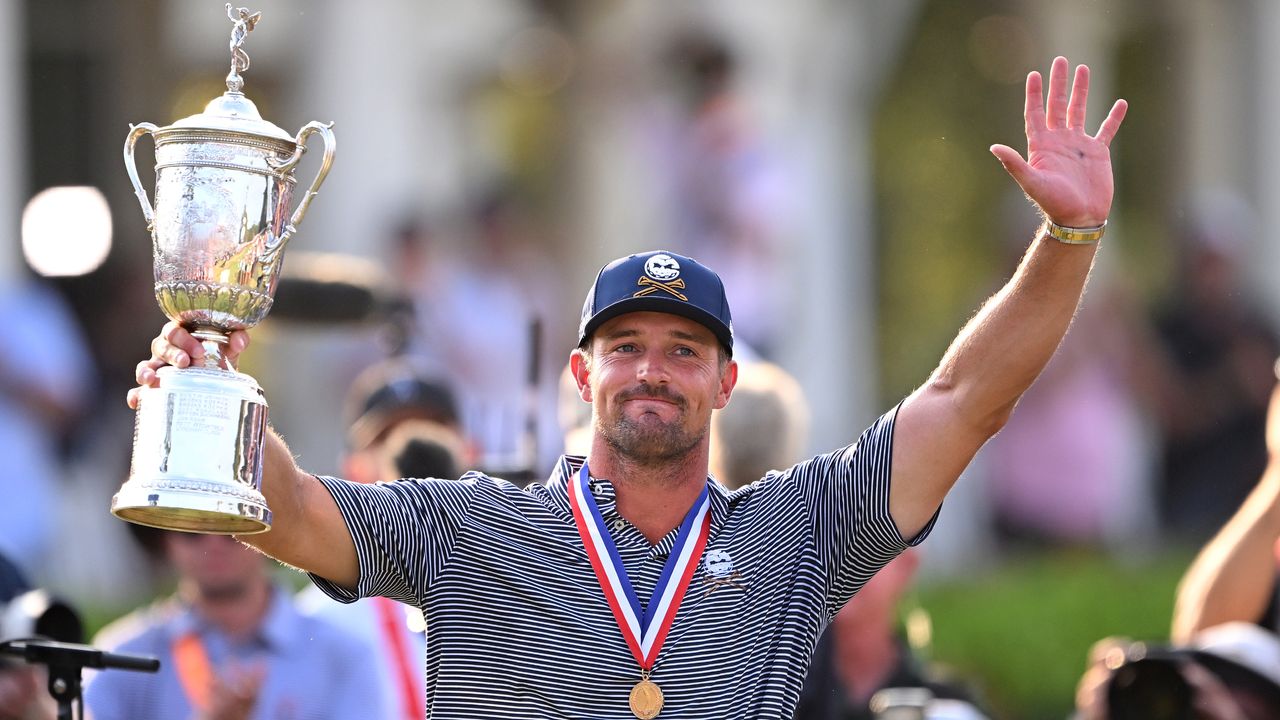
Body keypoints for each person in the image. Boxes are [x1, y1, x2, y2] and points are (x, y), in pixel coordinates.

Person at [131, 57, 1125, 717]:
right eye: (627, 346)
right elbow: (294, 511)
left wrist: (1067, 239)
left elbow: (963, 399)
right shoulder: (464, 531)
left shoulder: (796, 533)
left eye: (685, 351)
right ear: (582, 373)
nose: (653, 369)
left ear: (725, 381)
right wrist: (206, 389)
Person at [297, 361, 467, 720]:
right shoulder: (320, 620)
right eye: (387, 439)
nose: (409, 454)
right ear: (352, 470)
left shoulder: (515, 579)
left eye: (429, 432)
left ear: (471, 454)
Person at [83, 530, 387, 719]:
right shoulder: (121, 655)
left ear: (270, 534)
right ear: (166, 537)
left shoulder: (344, 656)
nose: (214, 544)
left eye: (234, 530)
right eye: (194, 530)